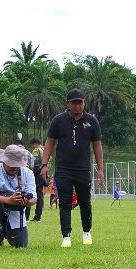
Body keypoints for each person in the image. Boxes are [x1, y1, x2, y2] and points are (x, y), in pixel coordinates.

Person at [42, 89, 104, 247]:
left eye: (80, 102)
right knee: (65, 202)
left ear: (84, 103)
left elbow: (97, 146)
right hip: (63, 168)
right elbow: (49, 143)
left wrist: (100, 169)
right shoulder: (58, 121)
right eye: (74, 102)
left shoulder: (91, 121)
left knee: (85, 202)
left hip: (83, 169)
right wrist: (44, 165)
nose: (78, 105)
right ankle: (66, 236)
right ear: (67, 104)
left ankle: (86, 232)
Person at [0, 143, 37, 248]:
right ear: (3, 161)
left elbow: (34, 197)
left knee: (21, 245)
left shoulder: (28, 173)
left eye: (17, 165)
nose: (15, 168)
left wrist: (27, 202)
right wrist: (8, 200)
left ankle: (5, 231)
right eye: (12, 164)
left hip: (16, 211)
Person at [29, 138, 46, 221]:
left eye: (32, 145)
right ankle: (38, 216)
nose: (33, 147)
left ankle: (37, 217)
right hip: (44, 173)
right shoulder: (44, 149)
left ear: (35, 144)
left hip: (38, 173)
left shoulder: (37, 150)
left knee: (37, 194)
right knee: (40, 194)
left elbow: (33, 161)